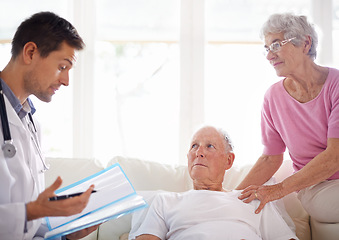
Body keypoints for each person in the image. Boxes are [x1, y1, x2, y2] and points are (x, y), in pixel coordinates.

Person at [0, 12, 98, 239]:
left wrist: (66, 235)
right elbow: (26, 213)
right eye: (62, 67)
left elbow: (27, 224)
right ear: (30, 52)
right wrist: (34, 210)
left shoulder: (29, 121)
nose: (66, 81)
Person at [236, 12, 339, 223]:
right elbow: (270, 158)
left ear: (305, 43)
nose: (269, 55)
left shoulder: (336, 85)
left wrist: (277, 190)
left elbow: (334, 156)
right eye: (266, 48)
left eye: (276, 44)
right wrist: (232, 198)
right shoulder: (273, 97)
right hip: (317, 187)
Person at [129, 126, 298, 240]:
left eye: (210, 146)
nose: (199, 152)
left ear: (228, 160)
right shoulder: (165, 201)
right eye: (194, 146)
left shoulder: (251, 198)